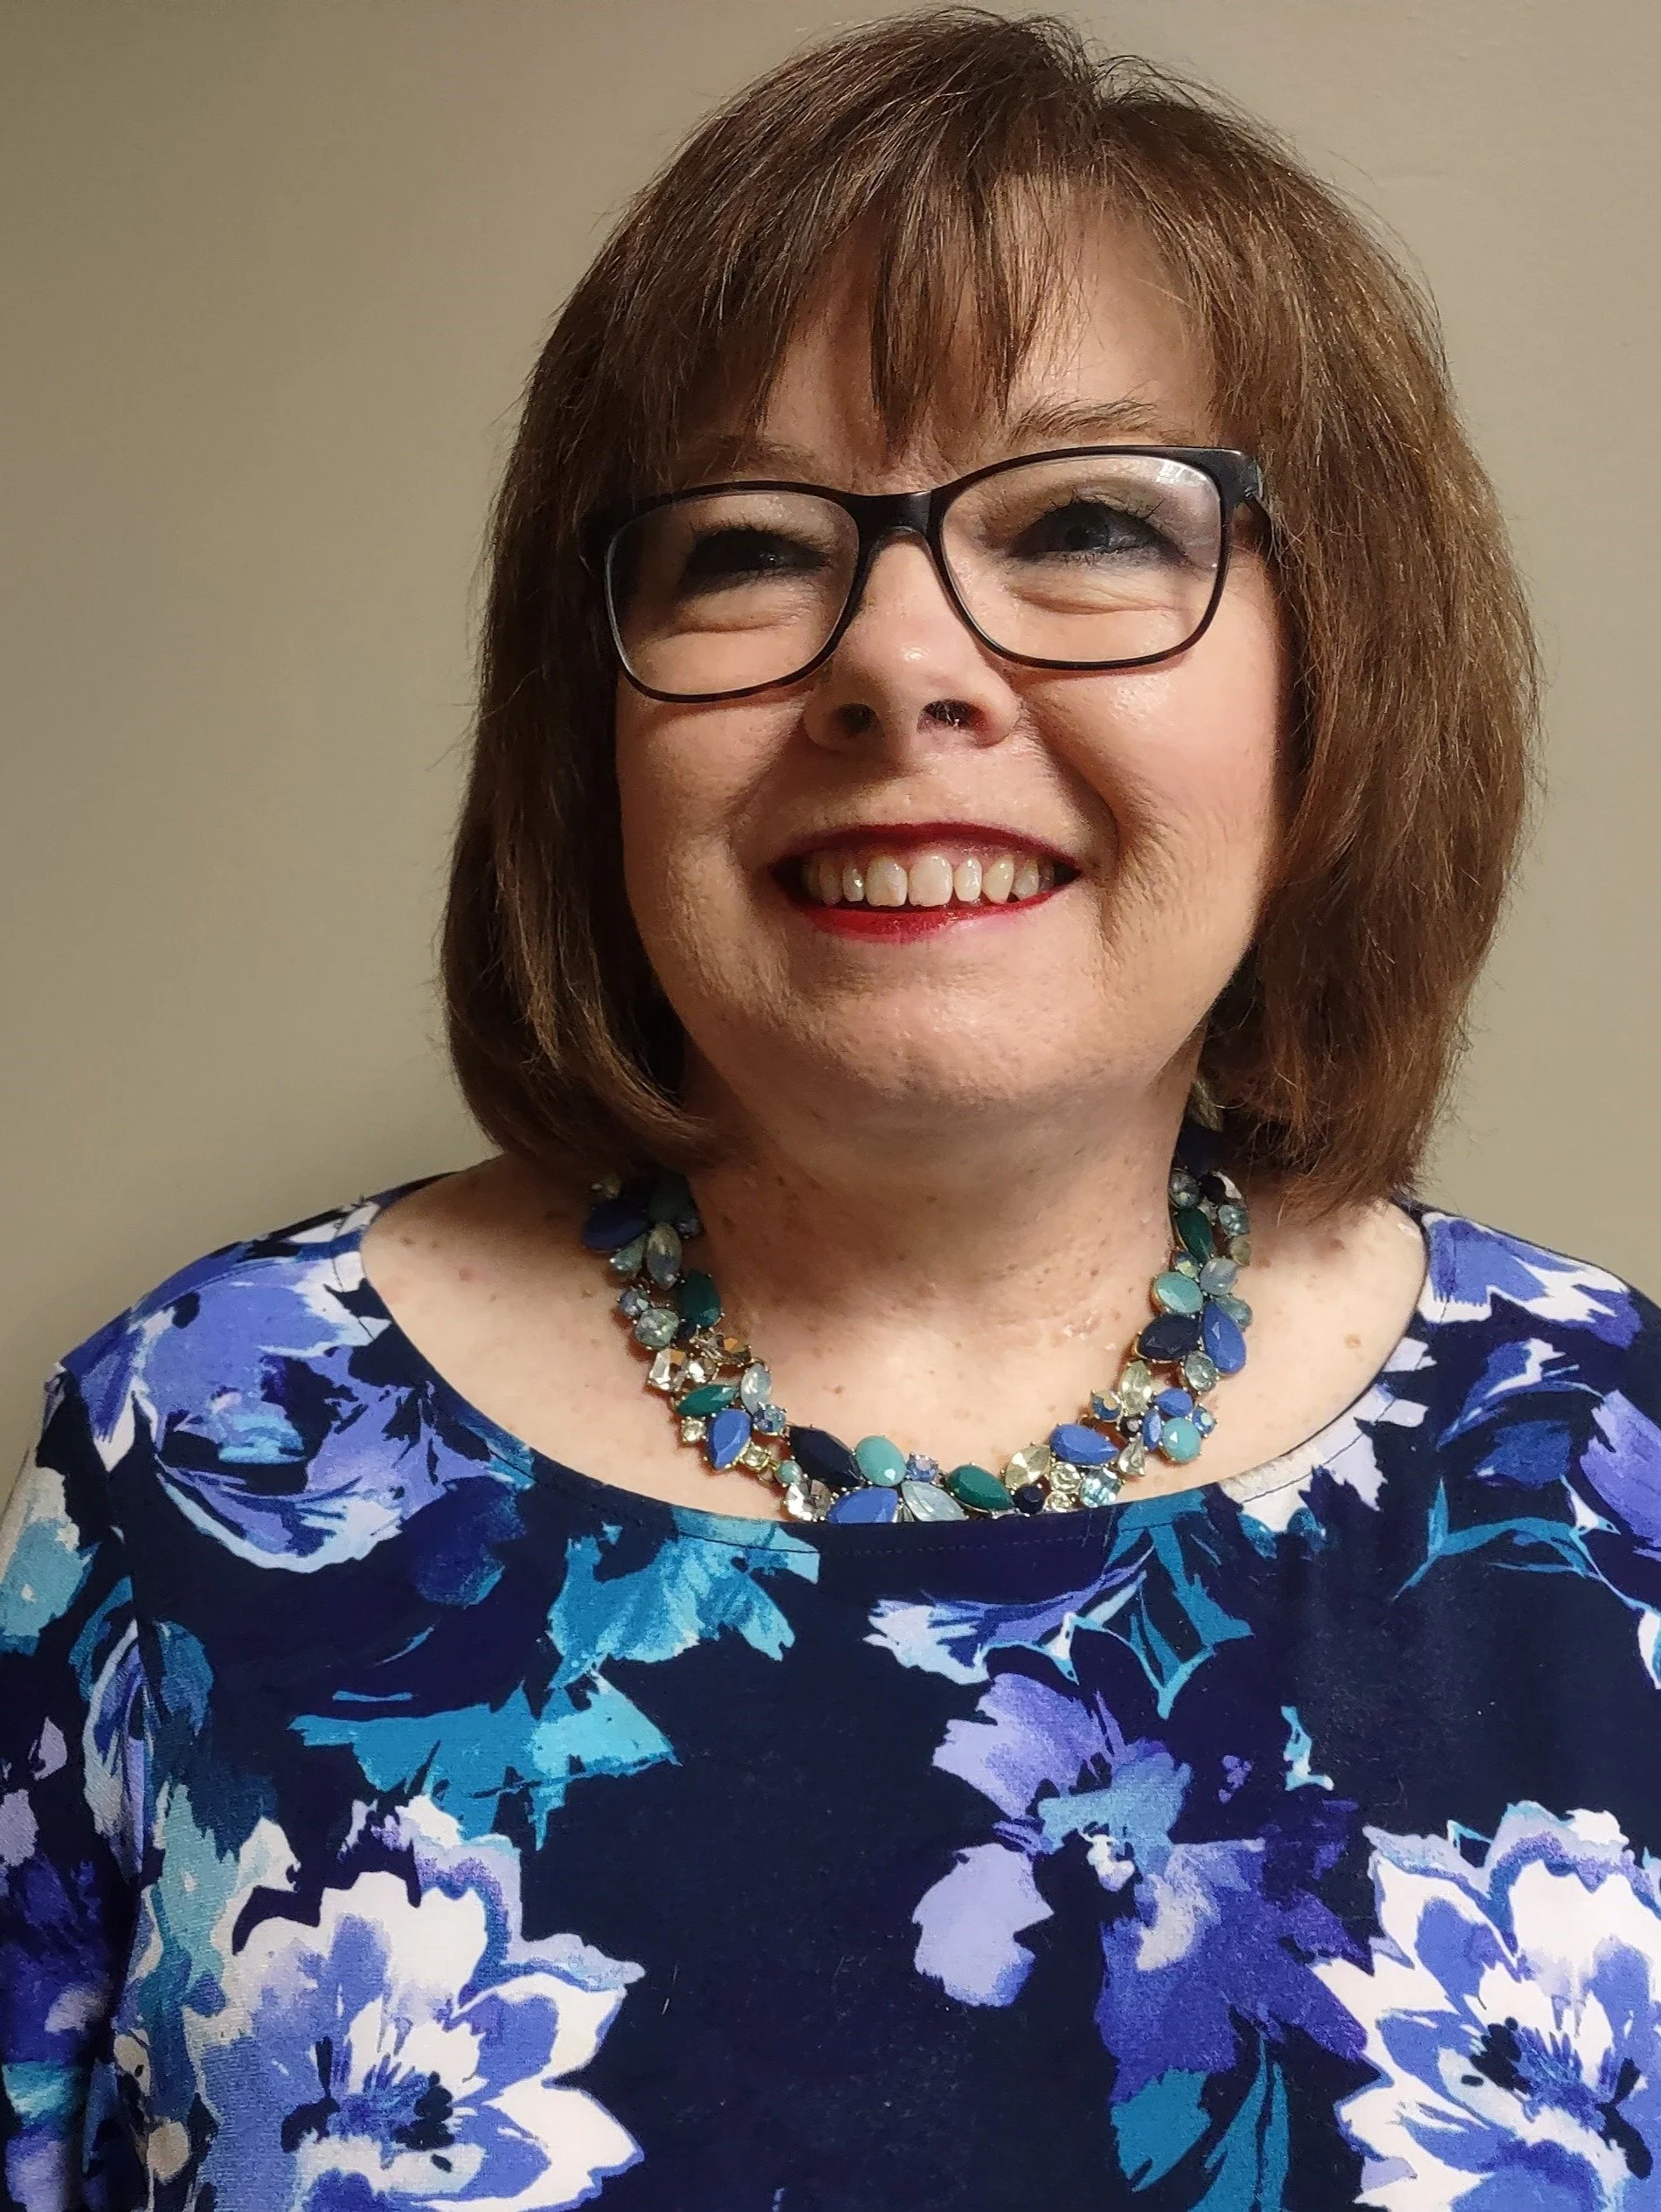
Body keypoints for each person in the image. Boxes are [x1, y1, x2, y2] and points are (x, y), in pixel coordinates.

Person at [3, 9, 1658, 2207]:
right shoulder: (200, 1448)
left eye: (1087, 520)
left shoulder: (1612, 1477)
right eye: (748, 548)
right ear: (590, 724)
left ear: (1333, 688)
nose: (895, 661)